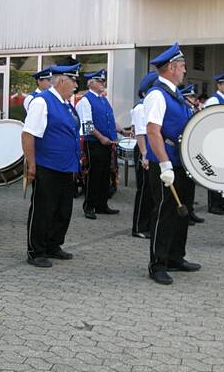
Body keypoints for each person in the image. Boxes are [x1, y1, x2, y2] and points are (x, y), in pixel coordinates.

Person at [144, 43, 201, 285]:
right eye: (182, 67)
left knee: (182, 211)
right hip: (167, 164)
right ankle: (158, 263)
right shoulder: (157, 95)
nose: (185, 71)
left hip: (182, 162)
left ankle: (176, 256)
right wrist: (165, 164)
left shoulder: (176, 96)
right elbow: (153, 132)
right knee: (165, 213)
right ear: (171, 67)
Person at [22, 64, 81, 267]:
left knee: (63, 210)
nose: (76, 85)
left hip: (66, 167)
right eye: (73, 81)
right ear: (62, 81)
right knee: (43, 210)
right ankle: (36, 251)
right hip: (47, 167)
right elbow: (28, 134)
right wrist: (31, 165)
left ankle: (53, 245)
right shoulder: (42, 102)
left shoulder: (66, 104)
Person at [76, 69, 120, 219]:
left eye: (103, 81)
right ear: (91, 83)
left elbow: (109, 120)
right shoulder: (86, 100)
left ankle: (102, 204)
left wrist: (121, 130)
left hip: (106, 143)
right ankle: (89, 206)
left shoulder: (102, 98)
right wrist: (101, 138)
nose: (103, 84)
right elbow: (87, 125)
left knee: (104, 175)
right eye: (100, 81)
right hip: (94, 143)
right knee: (93, 175)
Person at [130, 71, 158, 239]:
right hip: (144, 150)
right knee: (144, 191)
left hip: (150, 150)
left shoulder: (148, 106)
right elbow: (140, 133)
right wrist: (145, 155)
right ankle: (139, 226)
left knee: (150, 191)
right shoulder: (141, 107)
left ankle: (147, 224)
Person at [204, 70, 224, 214]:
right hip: (216, 141)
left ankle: (222, 202)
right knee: (215, 173)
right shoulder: (214, 100)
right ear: (218, 85)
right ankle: (214, 204)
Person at [179, 84, 205, 225]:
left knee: (190, 185)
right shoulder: (183, 110)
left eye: (194, 97)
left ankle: (190, 210)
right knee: (184, 185)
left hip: (192, 151)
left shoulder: (191, 110)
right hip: (184, 151)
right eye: (190, 97)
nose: (193, 99)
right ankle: (185, 213)